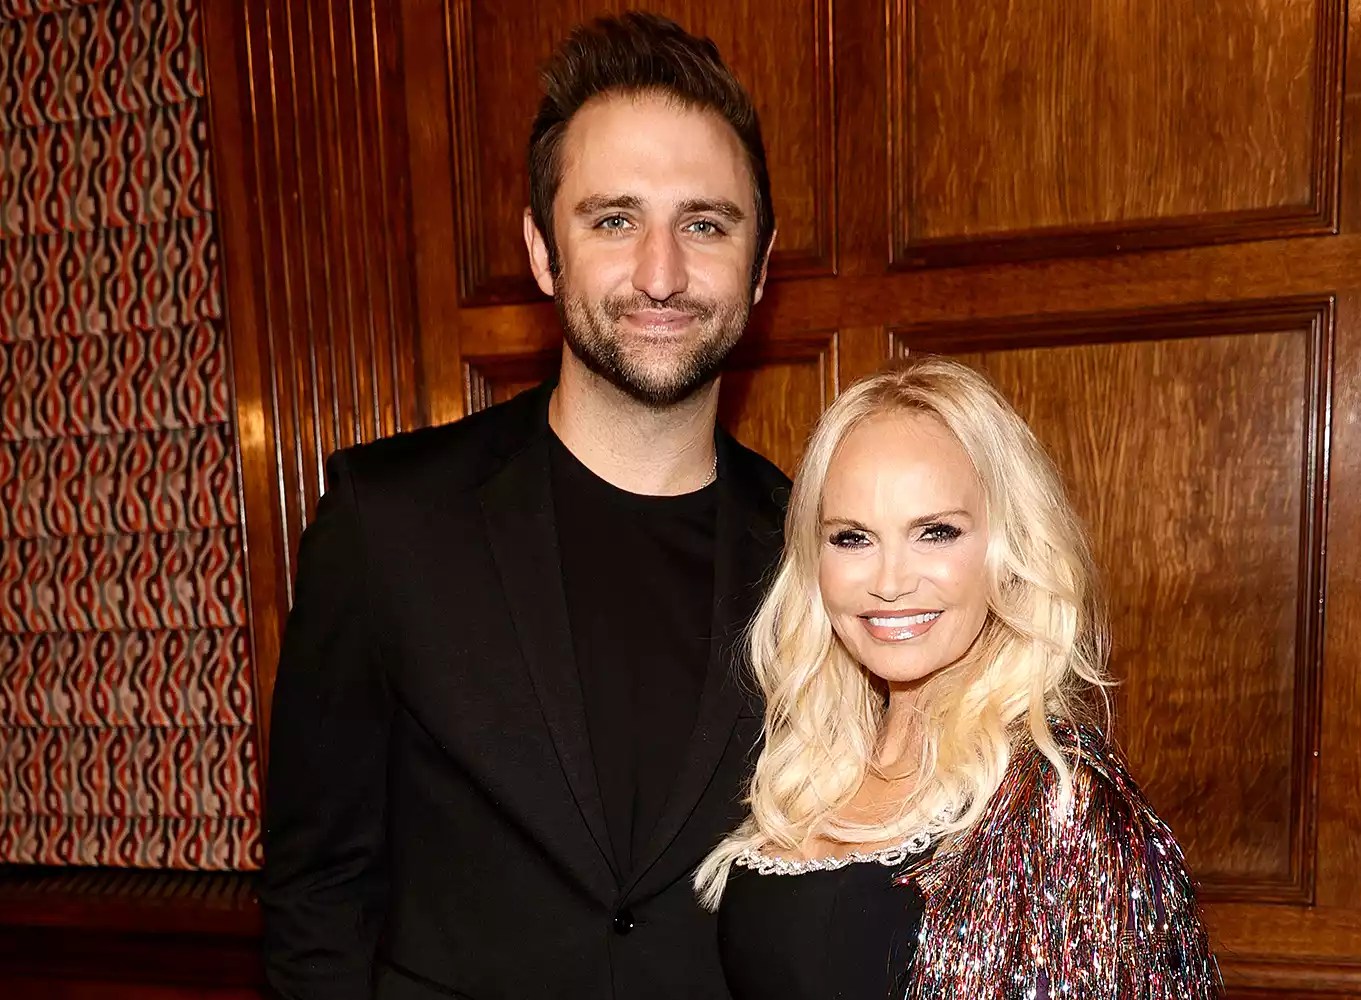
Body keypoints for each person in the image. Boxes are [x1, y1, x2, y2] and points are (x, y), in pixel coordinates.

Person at [260, 13, 787, 999]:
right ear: (543, 251)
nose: (662, 274)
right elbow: (317, 891)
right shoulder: (386, 526)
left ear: (761, 265)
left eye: (706, 224)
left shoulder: (819, 555)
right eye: (614, 219)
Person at [700, 358, 1222, 999]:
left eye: (935, 533)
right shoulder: (804, 767)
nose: (889, 582)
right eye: (853, 538)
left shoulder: (1060, 806)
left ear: (1009, 549)